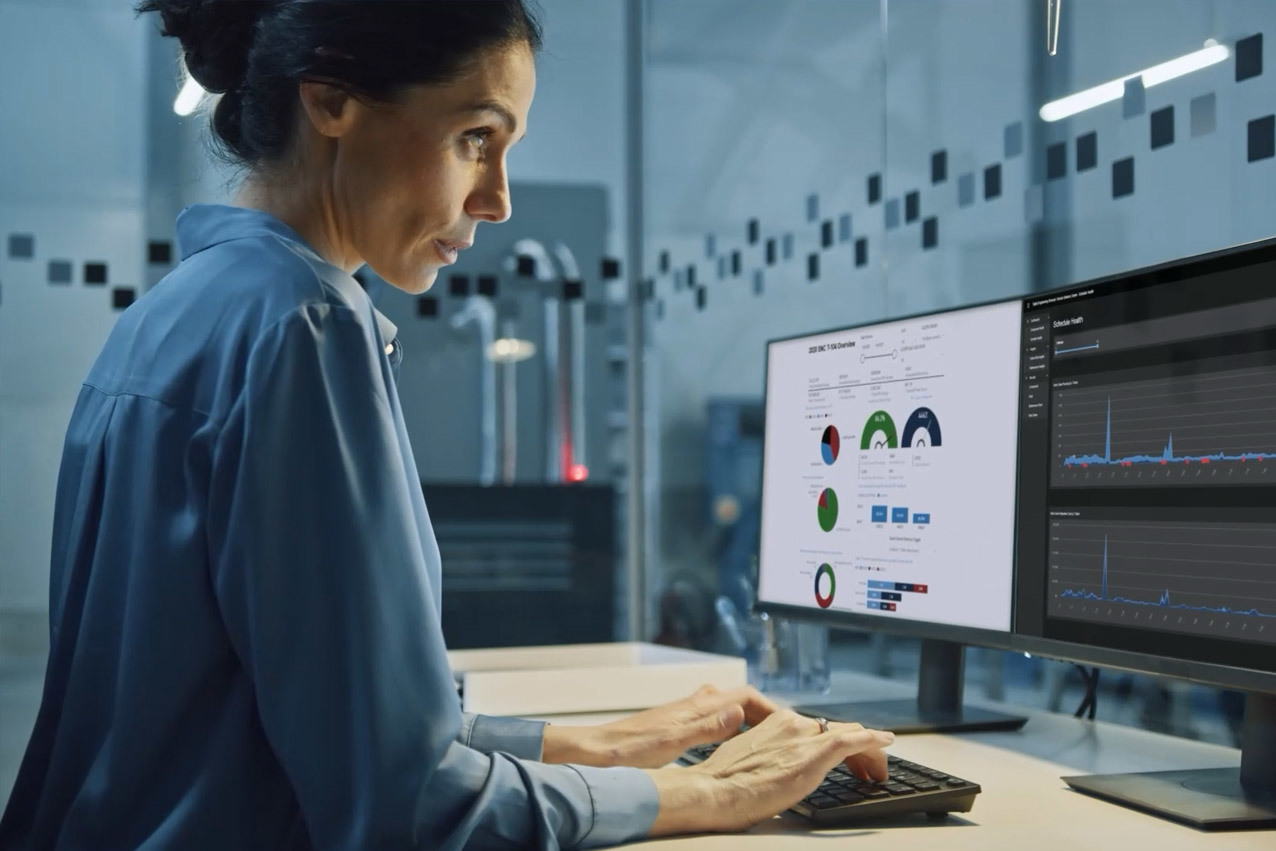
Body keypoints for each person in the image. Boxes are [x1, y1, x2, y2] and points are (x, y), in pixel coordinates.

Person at [0, 2, 894, 848]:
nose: (498, 199)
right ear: (332, 100)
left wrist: (609, 744)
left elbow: (312, 714)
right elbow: (404, 803)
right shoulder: (303, 325)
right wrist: (712, 791)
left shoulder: (169, 316)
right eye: (476, 139)